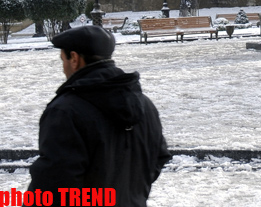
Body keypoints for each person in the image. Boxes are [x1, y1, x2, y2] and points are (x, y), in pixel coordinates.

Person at [29, 25, 170, 207]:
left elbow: (53, 184)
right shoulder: (144, 104)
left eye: (62, 59)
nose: (63, 68)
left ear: (74, 58)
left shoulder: (65, 111)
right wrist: (131, 192)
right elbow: (159, 156)